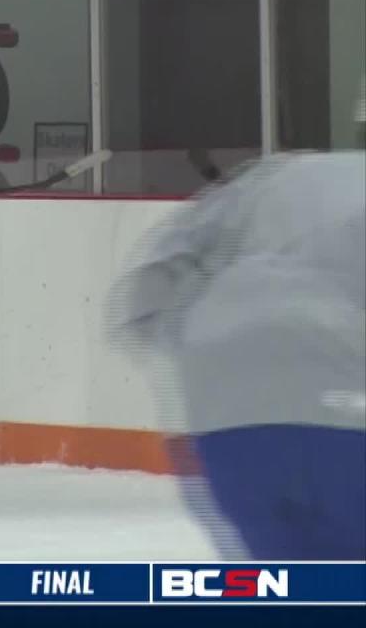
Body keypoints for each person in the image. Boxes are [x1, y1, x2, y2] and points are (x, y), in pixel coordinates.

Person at [107, 152, 365, 559]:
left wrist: (196, 375)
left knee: (282, 587)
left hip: (228, 421)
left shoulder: (269, 178)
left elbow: (151, 287)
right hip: (345, 412)